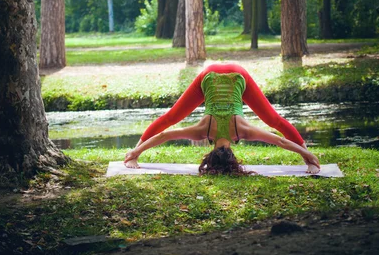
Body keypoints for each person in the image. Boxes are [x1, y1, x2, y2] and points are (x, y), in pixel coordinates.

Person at [124, 63, 320, 175]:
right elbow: (165, 136)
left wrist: (308, 156)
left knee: (171, 117)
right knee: (274, 120)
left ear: (232, 153)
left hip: (233, 75)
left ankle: (308, 156)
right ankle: (133, 153)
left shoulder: (242, 131)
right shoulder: (204, 130)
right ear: (211, 153)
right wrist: (135, 152)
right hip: (211, 76)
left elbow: (280, 141)